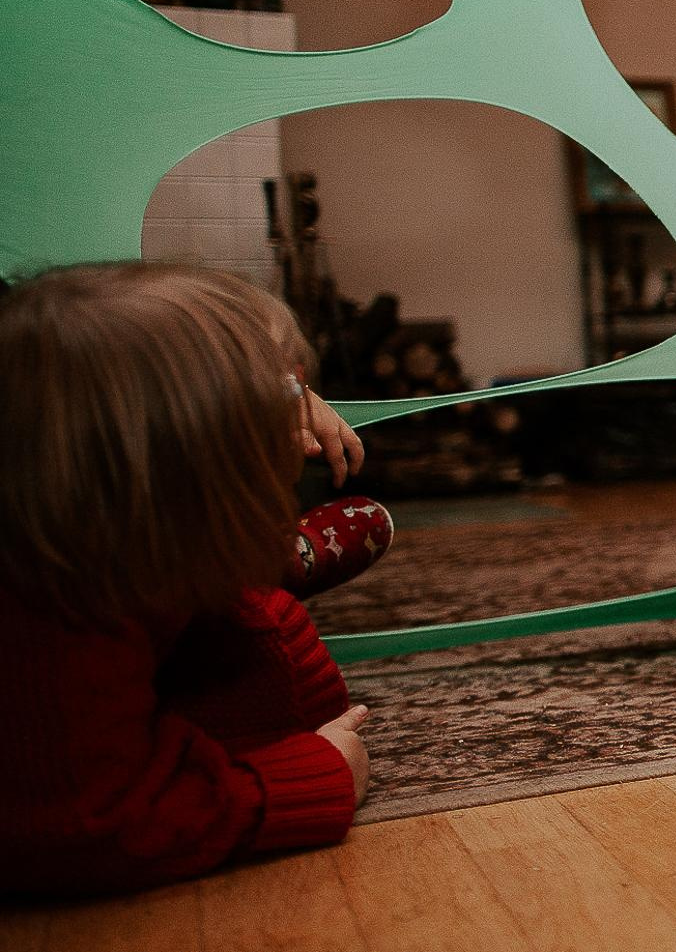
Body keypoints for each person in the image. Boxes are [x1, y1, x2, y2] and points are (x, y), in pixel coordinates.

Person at [0, 263, 389, 895]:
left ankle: (248, 562)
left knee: (242, 629)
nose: (307, 441)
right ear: (188, 487)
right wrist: (303, 781)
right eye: (273, 457)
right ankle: (265, 560)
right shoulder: (54, 636)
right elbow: (92, 826)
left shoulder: (98, 541)